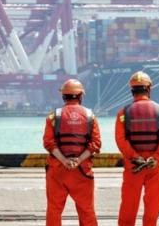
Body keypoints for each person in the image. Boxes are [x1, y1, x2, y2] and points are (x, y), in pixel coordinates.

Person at [115, 71, 159, 226]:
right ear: (149, 89)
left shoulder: (123, 113)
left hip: (134, 165)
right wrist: (156, 157)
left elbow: (120, 140)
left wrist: (135, 157)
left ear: (132, 90)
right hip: (154, 165)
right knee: (153, 207)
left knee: (128, 206)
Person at [43, 79, 101, 226]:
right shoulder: (90, 116)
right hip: (82, 171)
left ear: (63, 96)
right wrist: (78, 160)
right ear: (81, 96)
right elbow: (95, 144)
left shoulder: (53, 116)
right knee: (86, 210)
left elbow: (48, 143)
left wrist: (64, 160)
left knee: (54, 210)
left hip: (57, 170)